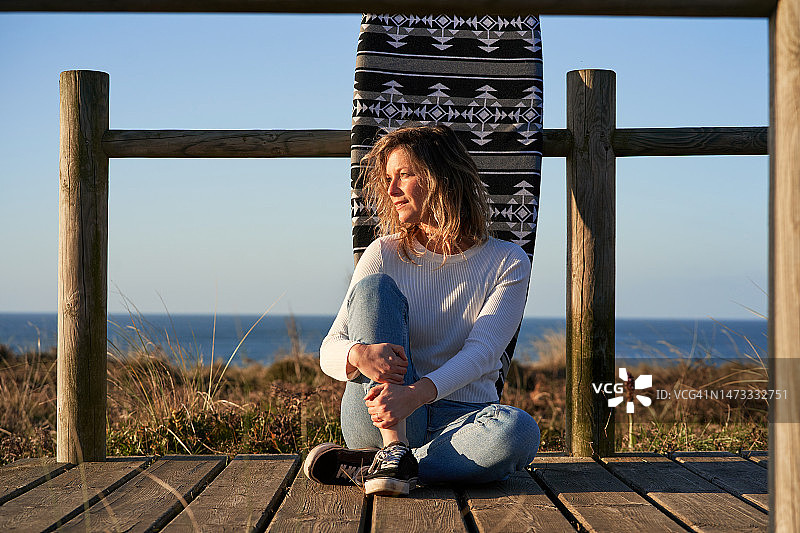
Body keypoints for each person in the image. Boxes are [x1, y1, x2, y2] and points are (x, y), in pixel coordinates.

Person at [304, 125, 540, 496]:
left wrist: (416, 394)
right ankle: (394, 448)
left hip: (463, 420)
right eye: (387, 179)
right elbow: (328, 349)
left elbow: (482, 355)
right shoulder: (382, 252)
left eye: (404, 175)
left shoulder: (507, 260)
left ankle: (379, 465)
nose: (392, 190)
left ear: (441, 177)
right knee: (374, 289)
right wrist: (358, 354)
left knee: (519, 431)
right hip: (382, 416)